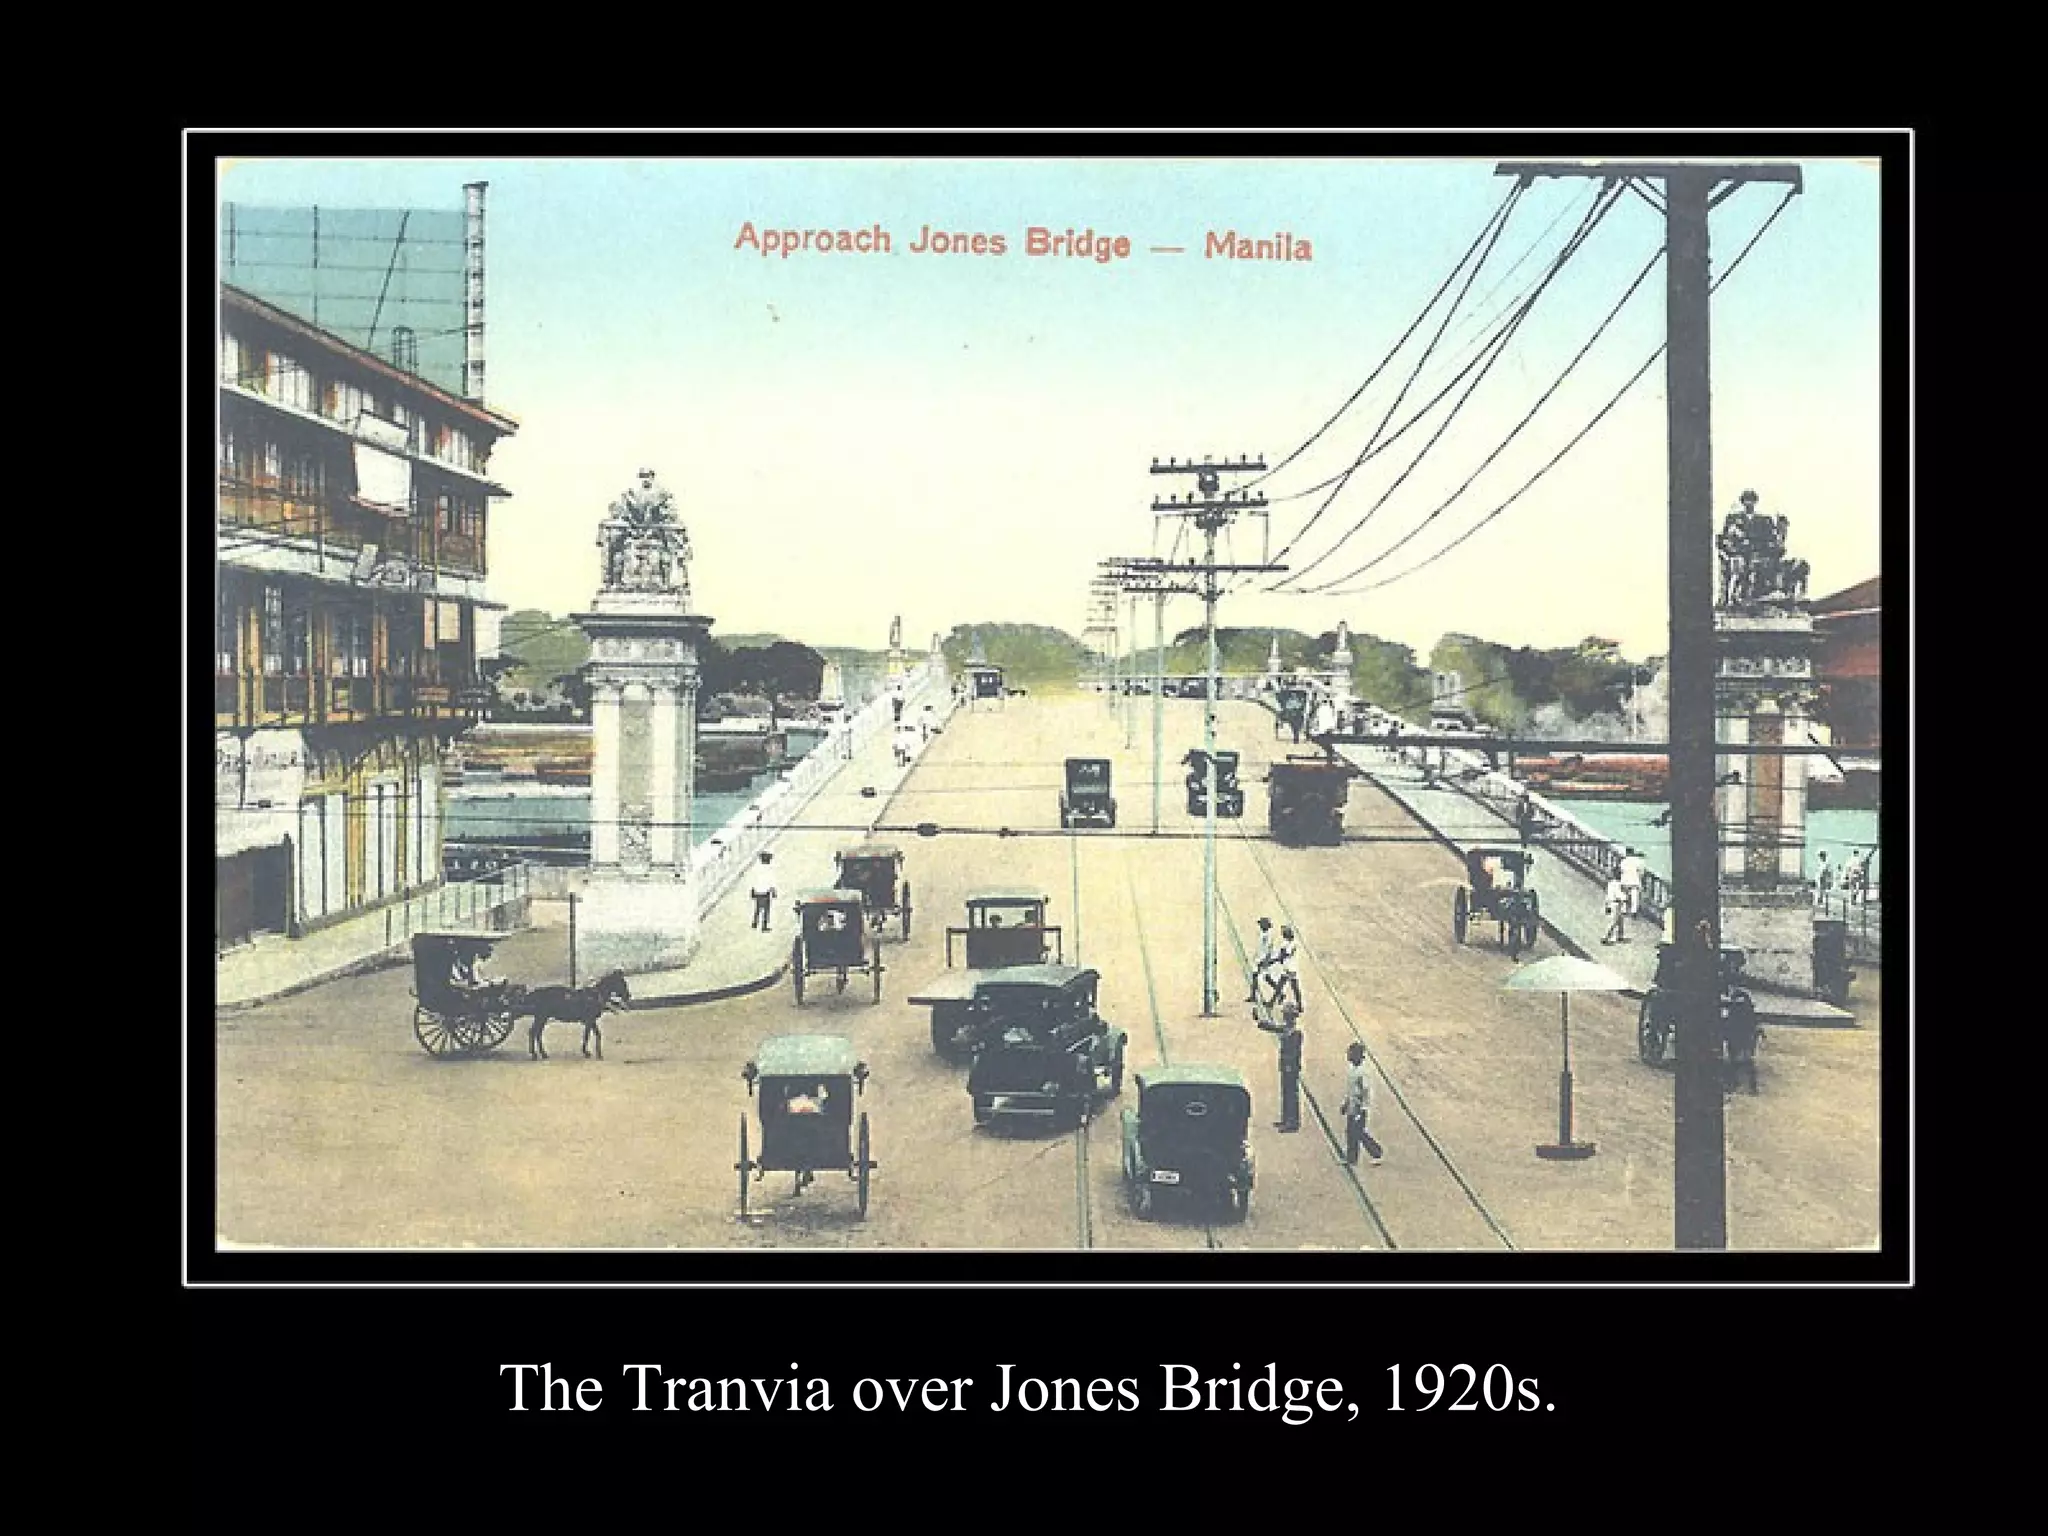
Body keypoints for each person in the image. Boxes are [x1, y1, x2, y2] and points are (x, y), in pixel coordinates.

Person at [1256, 1002, 1304, 1132]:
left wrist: (1290, 1065)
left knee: (1291, 1094)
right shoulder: (1286, 1029)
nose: (1285, 1017)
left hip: (1291, 1067)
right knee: (1285, 1093)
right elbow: (1272, 1027)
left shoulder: (1296, 1033)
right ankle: (1286, 1119)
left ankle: (1292, 1122)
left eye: (1286, 1015)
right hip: (1285, 1065)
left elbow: (1295, 1053)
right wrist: (1260, 1022)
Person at [1341, 1041, 1384, 1166]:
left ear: (1357, 1055)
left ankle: (1376, 1152)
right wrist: (1346, 1103)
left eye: (1350, 1053)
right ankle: (1351, 1158)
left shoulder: (1362, 1071)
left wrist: (1362, 1110)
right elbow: (1351, 1090)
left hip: (1359, 1108)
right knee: (1350, 1132)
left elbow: (1365, 1092)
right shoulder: (1352, 1069)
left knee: (1359, 1132)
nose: (1347, 1055)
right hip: (1352, 1106)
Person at [1265, 926, 1304, 1011]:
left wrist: (1272, 961)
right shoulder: (1286, 943)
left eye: (1284, 933)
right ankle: (1272, 1002)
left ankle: (1300, 1005)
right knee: (1282, 985)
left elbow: (1283, 955)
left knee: (1293, 987)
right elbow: (1281, 955)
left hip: (1291, 968)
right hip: (1287, 968)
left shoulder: (1293, 944)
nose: (1282, 935)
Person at [1248, 916, 1278, 1004]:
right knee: (1256, 976)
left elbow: (1268, 949)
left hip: (1264, 959)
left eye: (1262, 924)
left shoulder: (1268, 935)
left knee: (1265, 977)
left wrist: (1265, 960)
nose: (1260, 926)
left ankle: (1279, 991)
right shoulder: (1262, 934)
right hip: (1259, 958)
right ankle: (1253, 995)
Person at [749, 853, 776, 932]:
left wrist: (752, 890)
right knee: (766, 910)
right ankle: (764, 926)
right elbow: (771, 883)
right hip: (765, 892)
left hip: (757, 891)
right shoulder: (769, 870)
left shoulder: (757, 869)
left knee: (757, 908)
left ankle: (755, 923)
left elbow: (753, 880)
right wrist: (773, 891)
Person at [1619, 847, 1646, 916]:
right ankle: (1634, 911)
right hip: (1635, 881)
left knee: (1624, 895)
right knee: (1634, 897)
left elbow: (1621, 870)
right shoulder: (1637, 861)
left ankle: (1624, 910)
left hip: (1625, 880)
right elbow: (1641, 872)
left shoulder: (1624, 861)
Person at [1602, 875, 1628, 944]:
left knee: (1620, 920)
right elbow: (1619, 895)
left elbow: (1608, 895)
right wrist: (1625, 898)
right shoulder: (1618, 885)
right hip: (1616, 903)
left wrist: (1606, 905)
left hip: (1610, 902)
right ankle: (1606, 937)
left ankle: (1620, 936)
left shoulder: (1610, 883)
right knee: (1614, 922)